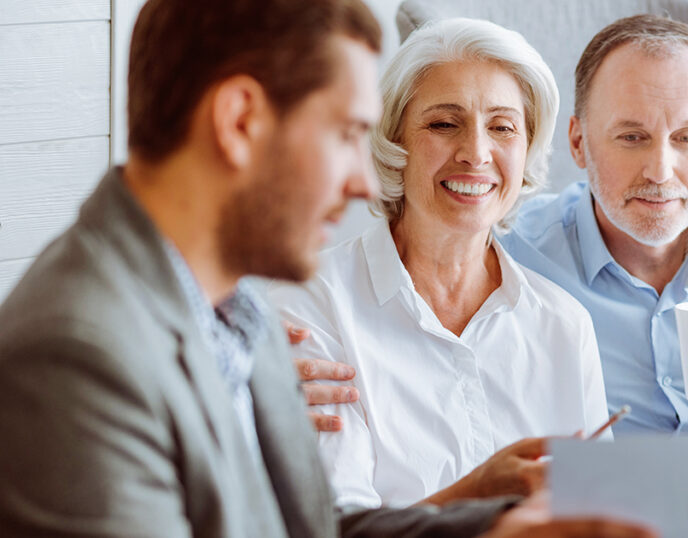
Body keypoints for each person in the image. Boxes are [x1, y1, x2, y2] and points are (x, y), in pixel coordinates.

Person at [0, 1, 653, 537]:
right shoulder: (79, 356)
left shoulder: (235, 313)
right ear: (240, 122)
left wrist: (500, 524)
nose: (363, 180)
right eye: (345, 134)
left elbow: (322, 530)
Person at [300, 15, 688, 439]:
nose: (662, 171)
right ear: (577, 141)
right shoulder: (511, 247)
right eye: (630, 137)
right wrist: (272, 370)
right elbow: (394, 304)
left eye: (687, 138)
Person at [268, 17, 610, 510]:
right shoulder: (313, 304)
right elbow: (336, 525)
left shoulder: (564, 325)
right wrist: (477, 496)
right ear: (395, 140)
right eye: (444, 124)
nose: (476, 152)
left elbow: (596, 514)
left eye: (502, 127)